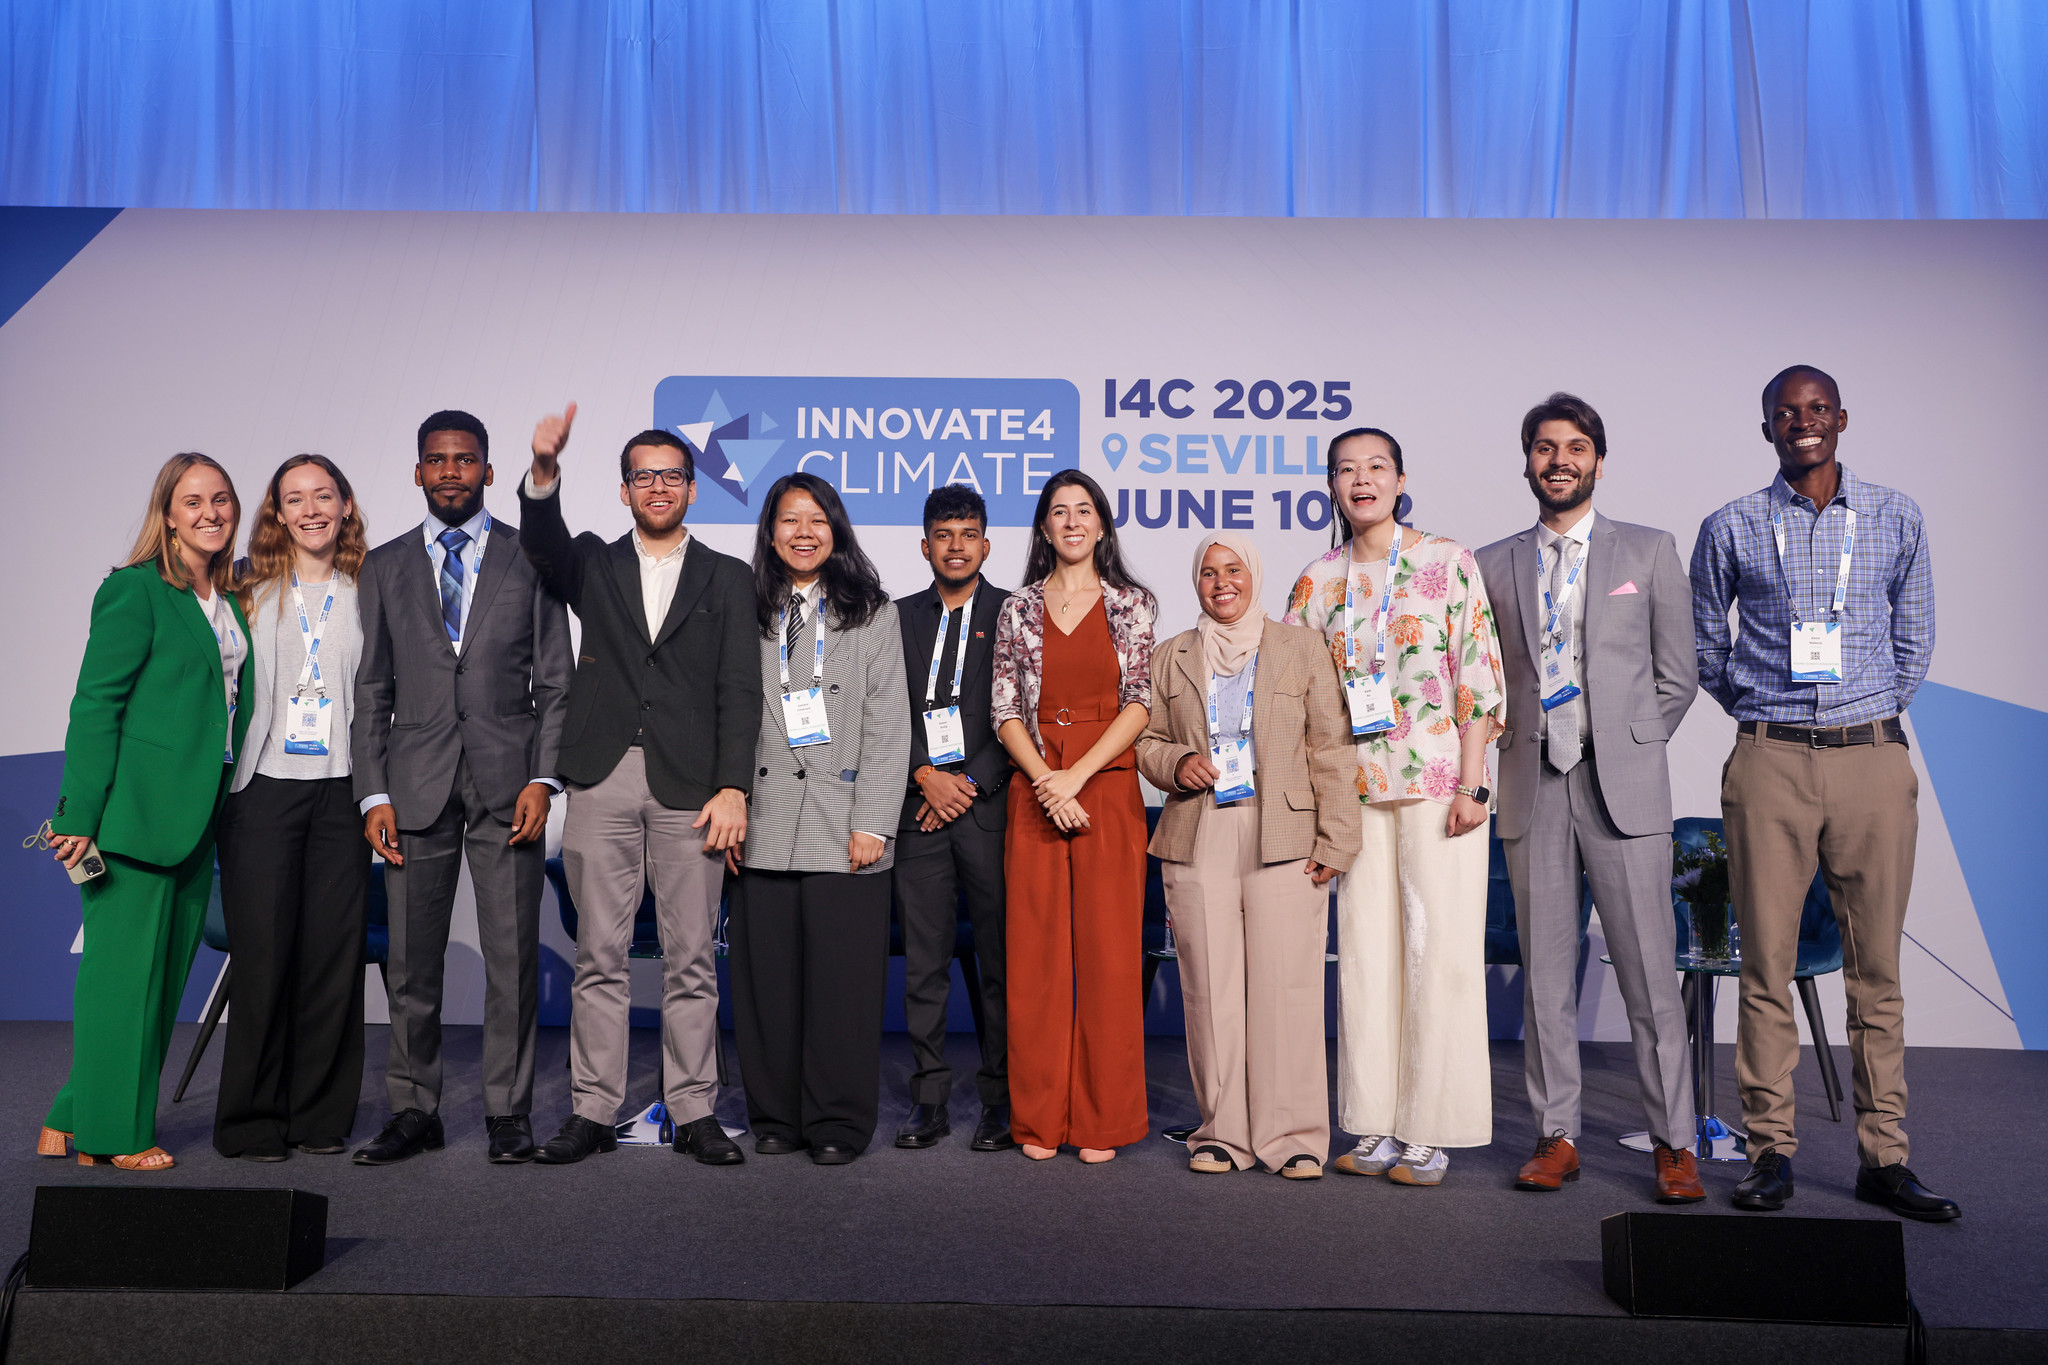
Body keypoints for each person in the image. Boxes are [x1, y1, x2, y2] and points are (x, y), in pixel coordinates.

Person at [1691, 365, 1956, 1222]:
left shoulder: (1895, 515)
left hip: (1871, 758)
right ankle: (1770, 1152)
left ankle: (1886, 1157)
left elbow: (1914, 639)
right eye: (1785, 413)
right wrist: (1765, 713)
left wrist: (1865, 714)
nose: (1801, 422)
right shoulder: (1731, 525)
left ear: (1841, 419)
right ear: (1767, 428)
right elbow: (1706, 645)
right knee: (1766, 966)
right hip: (1769, 759)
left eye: (1816, 409)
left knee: (1876, 970)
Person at [1474, 395, 1703, 1203]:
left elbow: (1679, 675)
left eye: (1575, 446)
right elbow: (1485, 679)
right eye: (1545, 447)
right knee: (1545, 978)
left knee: (1649, 974)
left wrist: (1629, 744)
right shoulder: (1490, 563)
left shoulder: (1649, 548)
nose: (1559, 459)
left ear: (1598, 460)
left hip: (1622, 791)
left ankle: (1674, 1142)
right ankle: (1556, 1134)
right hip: (1533, 783)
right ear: (1528, 462)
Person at [516, 405, 758, 1167]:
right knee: (600, 954)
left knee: (692, 958)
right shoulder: (593, 562)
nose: (658, 487)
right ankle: (591, 1110)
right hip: (602, 773)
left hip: (694, 786)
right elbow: (541, 543)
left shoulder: (729, 575)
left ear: (693, 489)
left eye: (672, 476)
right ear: (624, 490)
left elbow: (740, 688)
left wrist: (733, 785)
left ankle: (693, 1110)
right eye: (644, 476)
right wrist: (544, 471)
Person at [1283, 427, 1505, 1187]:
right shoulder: (1317, 580)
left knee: (1438, 956)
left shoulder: (1448, 560)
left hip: (1439, 787)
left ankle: (1430, 1131)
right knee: (1366, 958)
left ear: (1400, 479)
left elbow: (1479, 675)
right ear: (1331, 486)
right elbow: (1297, 698)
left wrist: (1474, 784)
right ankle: (1375, 1123)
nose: (1362, 480)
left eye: (1376, 466)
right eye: (1346, 469)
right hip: (1352, 792)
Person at [350, 410, 572, 1167]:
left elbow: (557, 681)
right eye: (438, 460)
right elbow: (371, 688)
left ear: (487, 470)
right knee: (412, 965)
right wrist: (373, 793)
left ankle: (508, 1112)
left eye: (466, 459)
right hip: (413, 787)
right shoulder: (383, 565)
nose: (451, 472)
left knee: (512, 962)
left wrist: (544, 777)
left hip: (511, 787)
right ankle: (415, 1110)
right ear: (418, 472)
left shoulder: (529, 557)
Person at [38, 453, 251, 1170]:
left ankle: (71, 1116)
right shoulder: (134, 590)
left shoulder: (229, 597)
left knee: (157, 991)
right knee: (121, 986)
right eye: (193, 501)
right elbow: (96, 705)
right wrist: (76, 816)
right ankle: (113, 1137)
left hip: (198, 818)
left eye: (221, 499)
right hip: (132, 820)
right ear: (168, 514)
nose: (210, 512)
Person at [1136, 532, 1358, 1178]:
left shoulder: (1300, 647)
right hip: (1197, 827)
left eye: (1233, 569)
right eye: (1209, 572)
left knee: (1287, 986)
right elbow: (1145, 740)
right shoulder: (1171, 654)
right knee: (1210, 989)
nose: (1222, 582)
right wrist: (1178, 760)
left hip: (1284, 831)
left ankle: (1293, 1136)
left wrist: (1337, 838)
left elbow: (1332, 746)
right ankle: (1222, 1132)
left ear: (1254, 574)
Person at [730, 472, 909, 1165]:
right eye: (789, 520)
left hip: (846, 822)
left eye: (817, 520)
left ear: (836, 530)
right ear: (770, 532)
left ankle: (838, 1120)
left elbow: (889, 725)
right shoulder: (745, 608)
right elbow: (726, 713)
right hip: (764, 819)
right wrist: (730, 802)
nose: (803, 533)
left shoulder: (873, 614)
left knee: (843, 986)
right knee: (768, 985)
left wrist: (875, 822)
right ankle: (776, 1114)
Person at [992, 469, 1154, 1164]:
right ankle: (1039, 1118)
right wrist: (1045, 781)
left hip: (1105, 787)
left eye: (1084, 510)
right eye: (1059, 512)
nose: (1072, 522)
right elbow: (1004, 708)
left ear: (1102, 523)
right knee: (1036, 957)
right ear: (1043, 527)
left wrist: (1076, 777)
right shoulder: (1017, 608)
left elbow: (1140, 702)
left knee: (1110, 958)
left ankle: (1102, 1119)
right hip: (1035, 786)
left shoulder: (1132, 603)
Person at [214, 454, 372, 1161]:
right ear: (277, 512)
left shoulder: (371, 588)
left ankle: (319, 1116)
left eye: (324, 496)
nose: (311, 510)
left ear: (345, 505)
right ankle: (250, 1120)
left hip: (344, 792)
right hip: (263, 791)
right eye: (295, 498)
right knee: (264, 959)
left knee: (332, 960)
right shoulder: (243, 587)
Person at [891, 485, 1016, 1152]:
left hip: (989, 811)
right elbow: (882, 709)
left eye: (968, 534)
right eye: (944, 534)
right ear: (925, 545)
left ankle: (1001, 1098)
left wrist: (967, 784)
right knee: (925, 964)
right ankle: (929, 1099)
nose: (957, 546)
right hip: (919, 812)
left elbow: (1023, 710)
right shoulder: (895, 617)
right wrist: (925, 775)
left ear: (986, 545)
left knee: (1000, 963)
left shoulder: (1015, 613)